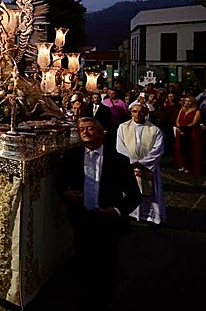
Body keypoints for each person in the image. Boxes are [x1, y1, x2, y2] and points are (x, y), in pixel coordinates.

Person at [58, 117, 142, 309]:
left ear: (102, 133)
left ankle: (105, 298)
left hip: (106, 220)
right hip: (82, 218)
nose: (85, 132)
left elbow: (134, 195)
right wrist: (66, 193)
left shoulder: (119, 160)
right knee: (83, 261)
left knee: (106, 262)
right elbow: (60, 183)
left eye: (90, 128)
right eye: (81, 129)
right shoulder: (71, 156)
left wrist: (116, 210)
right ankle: (85, 297)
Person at [116, 104, 165, 225]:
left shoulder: (155, 129)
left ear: (146, 113)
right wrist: (131, 162)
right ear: (131, 113)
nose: (138, 114)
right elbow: (120, 147)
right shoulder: (123, 127)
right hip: (131, 167)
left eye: (141, 112)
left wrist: (143, 163)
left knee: (150, 192)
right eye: (135, 111)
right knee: (131, 190)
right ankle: (132, 212)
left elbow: (158, 149)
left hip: (148, 167)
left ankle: (150, 215)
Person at [174, 95, 202, 174]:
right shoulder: (181, 110)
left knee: (191, 149)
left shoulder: (197, 111)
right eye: (185, 101)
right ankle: (182, 165)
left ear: (193, 102)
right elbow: (177, 120)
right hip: (180, 131)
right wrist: (179, 128)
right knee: (180, 148)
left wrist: (184, 128)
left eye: (189, 101)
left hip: (191, 132)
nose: (187, 102)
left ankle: (190, 166)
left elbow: (194, 122)